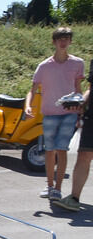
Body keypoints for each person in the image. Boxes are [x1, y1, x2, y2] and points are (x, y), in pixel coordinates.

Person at [26, 26, 85, 200]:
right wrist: (27, 106)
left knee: (62, 149)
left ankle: (58, 189)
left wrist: (81, 108)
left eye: (66, 39)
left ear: (70, 41)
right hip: (50, 112)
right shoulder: (44, 66)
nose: (63, 42)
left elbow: (78, 88)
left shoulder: (77, 63)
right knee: (49, 150)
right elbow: (33, 89)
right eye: (60, 39)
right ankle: (50, 186)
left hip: (69, 111)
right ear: (54, 42)